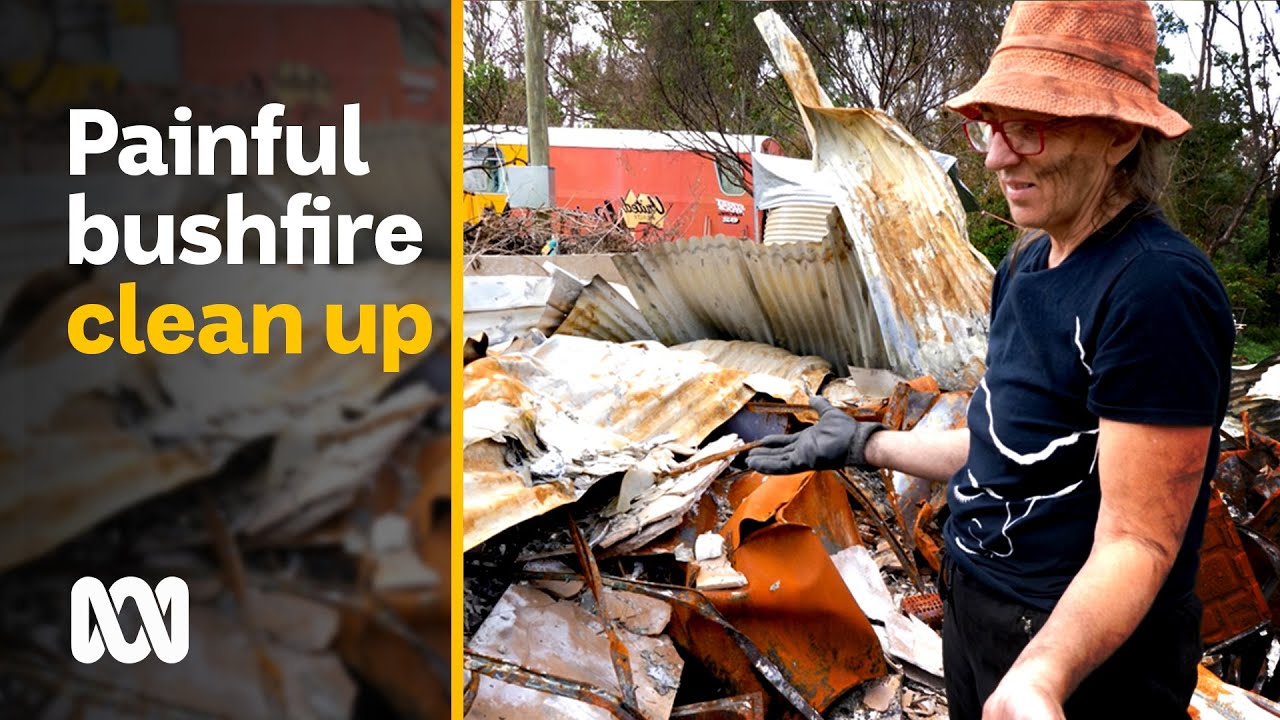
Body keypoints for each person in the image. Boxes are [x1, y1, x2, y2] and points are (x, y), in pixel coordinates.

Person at [746, 2, 1235, 719]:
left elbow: (1139, 541)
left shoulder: (1155, 289)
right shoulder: (1027, 262)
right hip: (978, 609)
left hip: (1087, 657)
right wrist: (865, 443)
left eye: (1030, 129)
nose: (998, 157)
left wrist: (1043, 676)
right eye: (990, 127)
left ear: (1119, 135)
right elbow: (1002, 443)